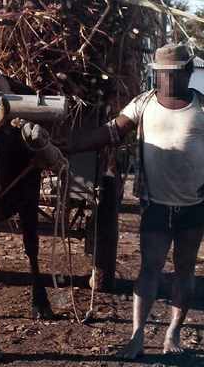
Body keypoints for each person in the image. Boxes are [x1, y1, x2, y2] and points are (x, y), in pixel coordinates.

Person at [68, 43, 204, 359]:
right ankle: (137, 335)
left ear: (187, 72)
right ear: (155, 74)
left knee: (184, 270)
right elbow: (111, 131)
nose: (167, 80)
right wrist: (70, 146)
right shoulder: (143, 104)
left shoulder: (201, 108)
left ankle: (172, 333)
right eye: (161, 74)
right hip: (155, 205)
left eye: (173, 73)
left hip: (194, 208)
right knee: (149, 269)